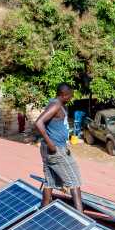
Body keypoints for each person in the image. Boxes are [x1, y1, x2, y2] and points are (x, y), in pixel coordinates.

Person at [34, 83, 83, 211]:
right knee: (74, 181)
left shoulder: (57, 104)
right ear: (63, 95)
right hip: (55, 149)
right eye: (70, 96)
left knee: (49, 182)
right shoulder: (56, 105)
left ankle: (43, 209)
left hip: (49, 150)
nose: (71, 98)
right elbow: (39, 123)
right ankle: (81, 217)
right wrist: (51, 144)